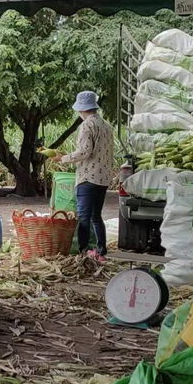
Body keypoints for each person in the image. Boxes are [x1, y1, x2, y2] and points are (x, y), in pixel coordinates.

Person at [51, 91, 114, 261]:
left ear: (82, 110)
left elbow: (85, 152)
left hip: (87, 177)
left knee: (84, 217)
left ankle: (83, 252)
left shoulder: (86, 125)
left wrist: (62, 158)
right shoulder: (106, 126)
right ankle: (101, 251)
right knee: (96, 216)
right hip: (103, 178)